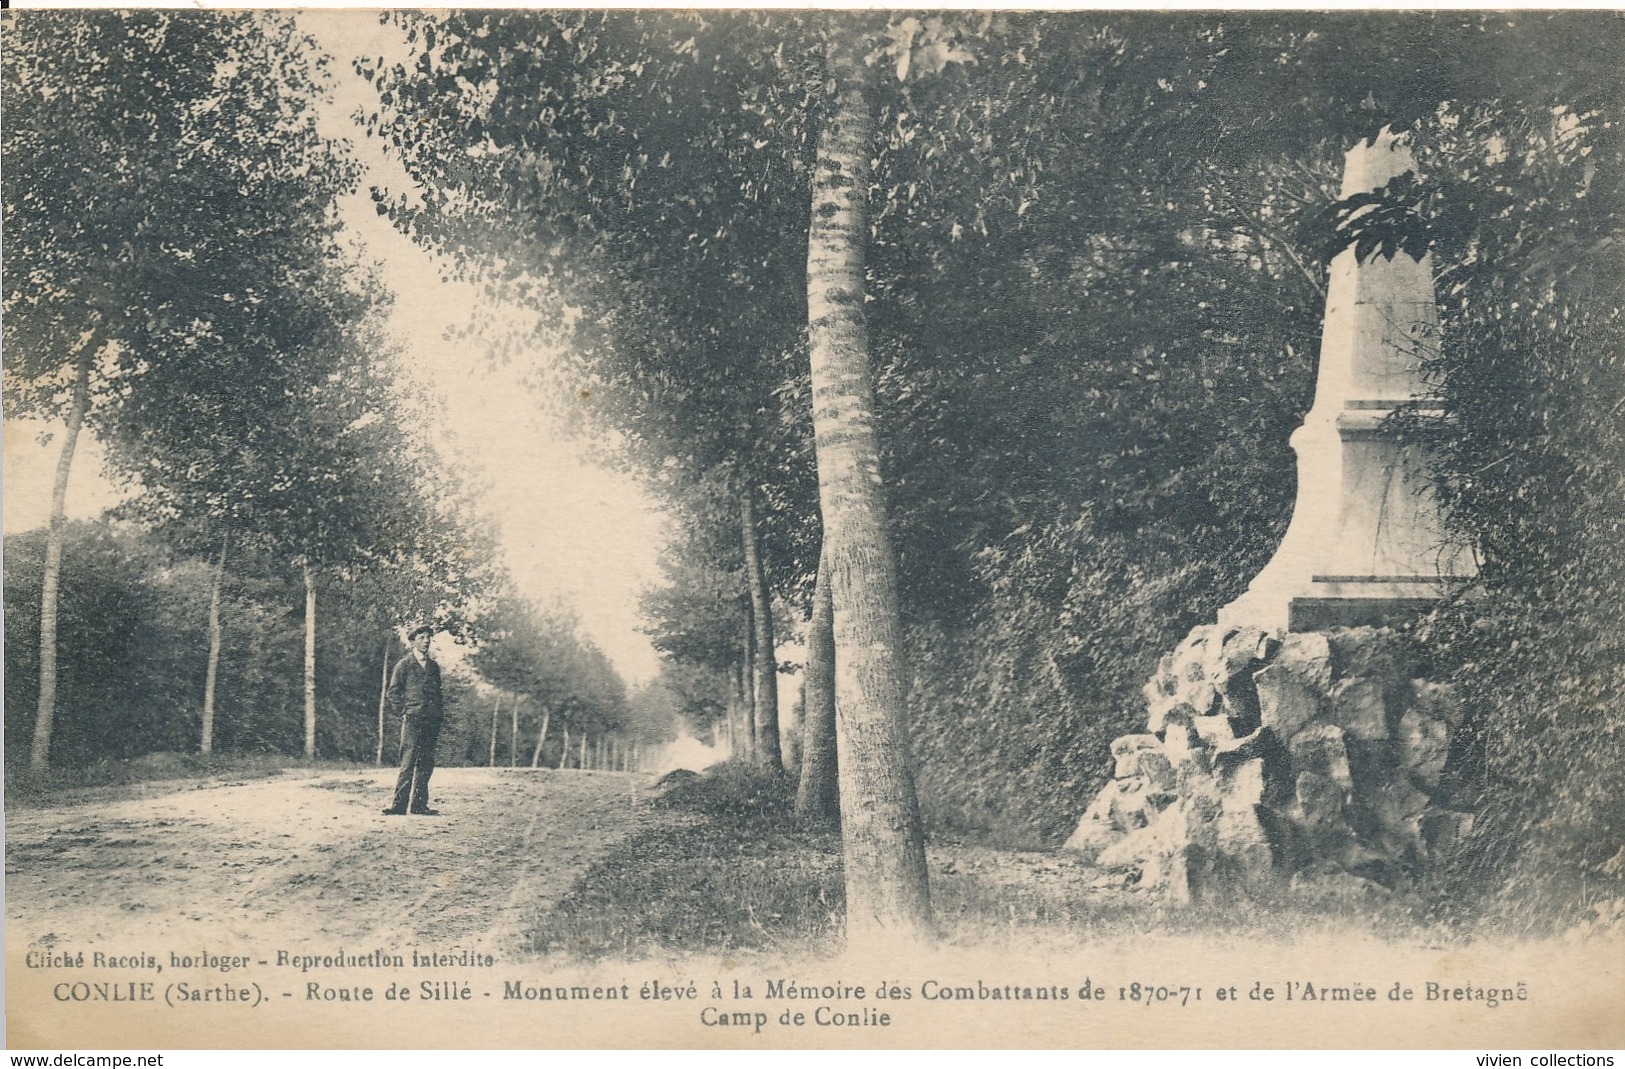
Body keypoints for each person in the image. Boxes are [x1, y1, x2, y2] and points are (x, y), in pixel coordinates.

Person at [383, 623, 444, 816]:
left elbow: (438, 694)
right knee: (408, 762)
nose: (426, 641)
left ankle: (419, 806)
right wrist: (404, 712)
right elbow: (393, 693)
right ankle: (399, 806)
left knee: (426, 763)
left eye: (428, 638)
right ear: (413, 641)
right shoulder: (404, 665)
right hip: (412, 720)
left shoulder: (433, 667)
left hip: (431, 721)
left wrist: (438, 714)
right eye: (421, 638)